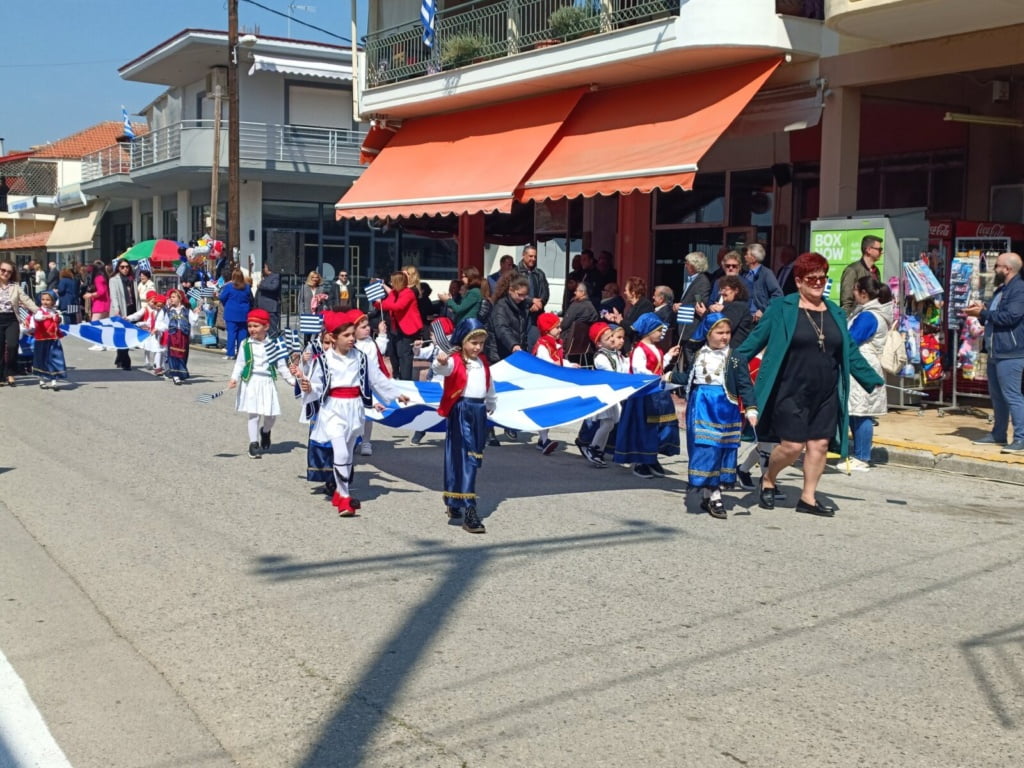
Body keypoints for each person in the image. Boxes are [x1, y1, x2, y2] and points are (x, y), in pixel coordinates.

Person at [733, 252, 884, 517]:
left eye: (822, 278)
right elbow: (753, 343)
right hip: (790, 390)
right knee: (792, 446)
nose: (818, 283)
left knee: (819, 445)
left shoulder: (835, 311)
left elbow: (849, 351)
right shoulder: (782, 308)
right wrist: (730, 365)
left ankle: (808, 498)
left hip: (825, 392)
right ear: (799, 281)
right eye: (812, 278)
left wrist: (873, 380)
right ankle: (769, 477)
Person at [298, 310, 408, 516]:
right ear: (332, 337)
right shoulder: (323, 360)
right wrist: (308, 388)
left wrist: (396, 394)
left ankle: (341, 492)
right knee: (339, 451)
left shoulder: (361, 357)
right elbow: (316, 385)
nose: (351, 339)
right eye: (346, 335)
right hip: (332, 409)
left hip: (354, 408)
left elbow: (376, 379)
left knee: (348, 454)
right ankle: (345, 497)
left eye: (352, 334)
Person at [665, 313, 757, 519]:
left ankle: (713, 494)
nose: (725, 336)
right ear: (708, 333)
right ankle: (712, 495)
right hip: (700, 406)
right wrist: (668, 376)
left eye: (727, 332)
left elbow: (744, 384)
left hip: (725, 408)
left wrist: (751, 408)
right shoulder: (698, 354)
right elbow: (690, 377)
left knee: (721, 450)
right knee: (706, 449)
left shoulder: (735, 357)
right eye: (719, 332)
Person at [432, 318, 497, 534]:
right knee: (466, 457)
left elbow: (489, 384)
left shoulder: (482, 362)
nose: (478, 347)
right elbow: (443, 369)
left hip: (478, 412)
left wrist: (491, 401)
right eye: (473, 343)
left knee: (473, 456)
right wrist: (440, 362)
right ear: (463, 341)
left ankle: (455, 498)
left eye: (481, 343)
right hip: (461, 411)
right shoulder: (455, 360)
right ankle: (470, 509)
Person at [963, 252, 1024, 453]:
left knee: (1012, 396)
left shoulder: (1019, 289)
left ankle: (1020, 438)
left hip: (1011, 353)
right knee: (997, 397)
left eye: (997, 265)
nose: (994, 269)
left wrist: (983, 312)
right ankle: (998, 433)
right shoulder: (1001, 290)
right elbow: (992, 317)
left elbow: (1010, 317)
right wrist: (981, 311)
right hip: (994, 352)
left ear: (1007, 269)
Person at [613, 312, 679, 478]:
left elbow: (659, 364)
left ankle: (652, 457)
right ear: (648, 331)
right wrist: (656, 377)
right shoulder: (639, 350)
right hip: (643, 396)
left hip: (657, 393)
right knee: (643, 428)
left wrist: (669, 355)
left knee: (659, 427)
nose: (661, 334)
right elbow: (639, 370)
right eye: (658, 330)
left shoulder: (656, 349)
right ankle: (640, 461)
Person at [229, 308, 298, 460]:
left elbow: (281, 366)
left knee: (271, 415)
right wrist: (234, 378)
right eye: (250, 326)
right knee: (253, 414)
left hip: (267, 382)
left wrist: (292, 381)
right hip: (251, 382)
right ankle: (253, 444)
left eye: (256, 326)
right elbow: (240, 363)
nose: (252, 329)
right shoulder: (245, 344)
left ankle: (265, 431)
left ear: (266, 327)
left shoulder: (274, 345)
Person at [844, 276, 894, 470]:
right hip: (864, 363)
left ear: (863, 293)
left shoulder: (868, 316)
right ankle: (859, 454)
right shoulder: (871, 312)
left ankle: (862, 456)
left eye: (855, 290)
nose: (853, 294)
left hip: (862, 365)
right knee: (856, 411)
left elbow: (851, 339)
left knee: (862, 412)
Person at [580, 321, 626, 468]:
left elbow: (624, 368)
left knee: (611, 423)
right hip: (604, 395)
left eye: (612, 335)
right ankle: (593, 448)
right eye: (608, 338)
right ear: (599, 344)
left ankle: (597, 448)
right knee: (606, 423)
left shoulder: (616, 355)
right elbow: (610, 373)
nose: (613, 339)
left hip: (613, 394)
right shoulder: (600, 357)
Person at [532, 312, 575, 455]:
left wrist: (570, 365)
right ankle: (544, 440)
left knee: (549, 411)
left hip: (551, 382)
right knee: (545, 411)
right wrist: (558, 364)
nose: (560, 330)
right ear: (547, 329)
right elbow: (545, 362)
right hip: (542, 384)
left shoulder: (555, 344)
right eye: (557, 327)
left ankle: (542, 440)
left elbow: (560, 360)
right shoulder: (543, 345)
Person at [353, 310, 391, 457]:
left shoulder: (370, 342)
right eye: (363, 327)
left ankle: (366, 441)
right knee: (356, 414)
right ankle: (354, 438)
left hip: (370, 385)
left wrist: (382, 334)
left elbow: (380, 350)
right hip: (356, 385)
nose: (367, 329)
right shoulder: (353, 345)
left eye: (368, 326)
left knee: (368, 415)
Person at [0, 260, 39, 386]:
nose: (6, 273)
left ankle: (10, 373)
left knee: (12, 345)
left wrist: (40, 311)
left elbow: (26, 300)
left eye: (9, 272)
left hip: (12, 319)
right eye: (3, 270)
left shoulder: (15, 287)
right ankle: (1, 375)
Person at [381, 270, 424, 380]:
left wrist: (382, 304)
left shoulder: (408, 293)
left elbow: (398, 306)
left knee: (404, 355)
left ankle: (406, 380)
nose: (391, 283)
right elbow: (386, 304)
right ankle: (396, 376)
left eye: (392, 281)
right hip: (396, 327)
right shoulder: (394, 293)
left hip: (407, 328)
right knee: (393, 353)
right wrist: (379, 303)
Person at [673, 252, 712, 366]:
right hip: (685, 328)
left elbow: (700, 303)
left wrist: (682, 307)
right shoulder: (692, 280)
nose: (685, 265)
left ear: (695, 265)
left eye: (688, 263)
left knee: (692, 364)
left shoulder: (702, 281)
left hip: (692, 328)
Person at [29, 290, 67, 389]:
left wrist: (58, 318)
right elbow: (38, 318)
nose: (45, 302)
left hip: (53, 340)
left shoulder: (55, 312)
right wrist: (47, 316)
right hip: (42, 339)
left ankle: (53, 380)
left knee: (54, 359)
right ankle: (41, 380)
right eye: (43, 299)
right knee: (41, 359)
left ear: (53, 301)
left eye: (48, 300)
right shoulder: (39, 311)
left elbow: (60, 322)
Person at [604, 276, 654, 349]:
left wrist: (621, 321)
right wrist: (616, 319)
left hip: (638, 345)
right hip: (628, 343)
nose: (624, 293)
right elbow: (627, 324)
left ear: (633, 292)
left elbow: (636, 327)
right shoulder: (633, 306)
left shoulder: (645, 305)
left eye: (626, 290)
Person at [839, 236, 883, 315]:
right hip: (856, 318)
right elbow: (846, 302)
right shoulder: (852, 270)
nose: (881, 252)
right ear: (868, 250)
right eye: (879, 249)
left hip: (872, 316)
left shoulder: (876, 271)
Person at [706, 275, 753, 349]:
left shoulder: (738, 306)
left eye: (725, 289)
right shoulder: (729, 305)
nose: (721, 292)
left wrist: (706, 314)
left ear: (736, 290)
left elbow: (724, 326)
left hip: (733, 351)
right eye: (721, 289)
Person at [108, 259, 139, 372]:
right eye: (122, 267)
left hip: (131, 309)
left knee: (128, 335)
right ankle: (126, 361)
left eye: (127, 267)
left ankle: (120, 358)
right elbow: (114, 296)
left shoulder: (132, 279)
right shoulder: (114, 280)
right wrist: (117, 309)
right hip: (120, 310)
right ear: (118, 268)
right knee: (121, 335)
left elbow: (136, 296)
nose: (125, 269)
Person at [163, 288, 199, 384]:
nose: (171, 299)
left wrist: (197, 313)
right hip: (173, 335)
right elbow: (165, 324)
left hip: (183, 336)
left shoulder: (186, 311)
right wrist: (157, 329)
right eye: (171, 297)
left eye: (174, 297)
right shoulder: (169, 311)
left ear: (180, 298)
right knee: (173, 355)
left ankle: (180, 373)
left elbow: (193, 321)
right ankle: (175, 375)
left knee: (182, 355)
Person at [516, 244, 550, 344]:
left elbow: (545, 292)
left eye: (535, 256)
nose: (533, 259)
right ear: (524, 255)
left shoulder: (539, 273)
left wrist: (540, 303)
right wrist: (531, 301)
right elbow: (514, 293)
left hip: (536, 316)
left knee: (535, 344)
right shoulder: (515, 273)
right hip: (521, 314)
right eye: (530, 256)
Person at [127, 292, 167, 373]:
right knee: (148, 348)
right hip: (148, 331)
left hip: (158, 332)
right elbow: (137, 316)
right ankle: (148, 362)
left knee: (159, 349)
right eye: (152, 302)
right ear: (148, 301)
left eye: (154, 302)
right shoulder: (146, 309)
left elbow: (163, 322)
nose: (154, 304)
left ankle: (160, 365)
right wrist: (129, 319)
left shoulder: (161, 311)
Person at [742, 243, 783, 322]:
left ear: (754, 258)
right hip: (746, 318)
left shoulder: (766, 273)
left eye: (747, 254)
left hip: (760, 320)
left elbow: (778, 295)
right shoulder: (745, 274)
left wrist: (763, 310)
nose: (745, 256)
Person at [219, 269, 253, 360]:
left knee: (231, 334)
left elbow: (222, 297)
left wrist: (227, 304)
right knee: (242, 334)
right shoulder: (247, 287)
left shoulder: (229, 287)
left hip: (231, 312)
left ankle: (230, 353)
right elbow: (250, 299)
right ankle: (241, 354)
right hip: (243, 313)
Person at [83, 259, 110, 350]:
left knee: (95, 323)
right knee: (104, 324)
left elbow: (101, 291)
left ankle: (98, 343)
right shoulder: (105, 277)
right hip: (106, 302)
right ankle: (105, 343)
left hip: (99, 303)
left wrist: (90, 295)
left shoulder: (98, 278)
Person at [255, 261, 282, 335]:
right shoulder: (266, 278)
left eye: (265, 267)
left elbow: (274, 287)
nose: (264, 269)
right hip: (263, 307)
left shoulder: (275, 276)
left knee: (272, 329)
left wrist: (261, 286)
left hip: (271, 308)